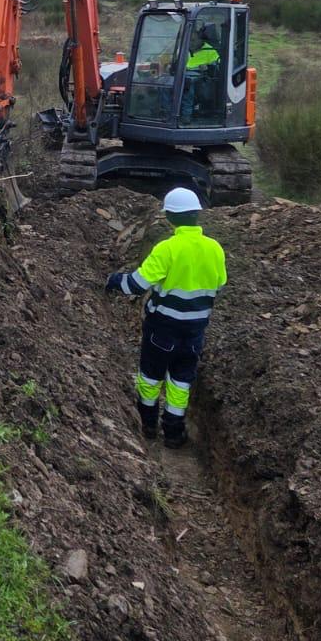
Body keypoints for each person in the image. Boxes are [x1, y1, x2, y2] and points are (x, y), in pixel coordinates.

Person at [103, 187, 227, 449]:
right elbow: (220, 284)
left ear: (169, 216)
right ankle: (173, 432)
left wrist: (114, 281)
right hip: (195, 330)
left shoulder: (167, 249)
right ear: (196, 214)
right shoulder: (215, 248)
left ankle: (147, 425)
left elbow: (137, 285)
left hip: (162, 328)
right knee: (181, 380)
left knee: (151, 376)